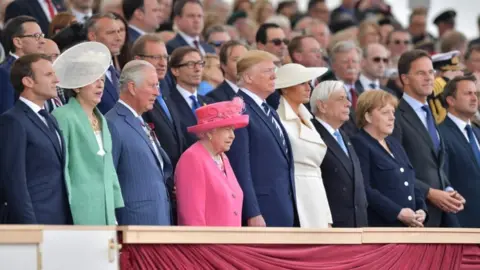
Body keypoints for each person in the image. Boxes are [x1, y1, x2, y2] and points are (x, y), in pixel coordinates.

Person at [52, 42, 124, 225]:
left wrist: (114, 202)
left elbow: (109, 167)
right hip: (78, 205)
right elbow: (62, 166)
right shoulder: (63, 116)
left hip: (106, 206)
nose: (100, 85)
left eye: (102, 79)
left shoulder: (102, 119)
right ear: (76, 86)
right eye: (93, 79)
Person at [392, 49, 465, 227]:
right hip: (416, 215)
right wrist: (429, 192)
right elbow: (394, 168)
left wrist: (448, 190)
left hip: (441, 215)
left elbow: (436, 162)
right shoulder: (395, 116)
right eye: (421, 73)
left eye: (431, 72)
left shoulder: (430, 113)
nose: (429, 78)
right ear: (404, 79)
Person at [227, 50, 297, 227]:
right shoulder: (238, 109)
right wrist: (252, 212)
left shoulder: (269, 110)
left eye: (274, 70)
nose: (274, 76)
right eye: (267, 71)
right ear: (249, 77)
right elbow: (240, 165)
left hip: (282, 207)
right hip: (262, 211)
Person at [0, 54, 71, 224]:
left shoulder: (50, 118)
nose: (56, 80)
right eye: (48, 75)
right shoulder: (13, 121)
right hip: (35, 222)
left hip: (60, 221)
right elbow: (14, 182)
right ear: (28, 82)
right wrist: (30, 227)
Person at [106, 60, 172, 225]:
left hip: (157, 220)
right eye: (152, 86)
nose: (157, 93)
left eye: (158, 86)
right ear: (132, 87)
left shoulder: (139, 120)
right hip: (133, 224)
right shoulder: (112, 123)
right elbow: (108, 179)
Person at [351, 90, 428, 227]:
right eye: (385, 113)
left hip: (410, 227)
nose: (392, 117)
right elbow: (364, 188)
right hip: (382, 228)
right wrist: (397, 212)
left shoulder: (394, 144)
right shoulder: (359, 143)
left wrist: (422, 210)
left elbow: (411, 181)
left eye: (393, 112)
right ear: (368, 116)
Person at [175, 97, 248, 226]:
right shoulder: (192, 159)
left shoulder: (223, 157)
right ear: (210, 131)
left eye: (233, 129)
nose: (233, 135)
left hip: (231, 243)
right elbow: (192, 218)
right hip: (209, 244)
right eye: (227, 129)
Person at [275, 63, 332, 228]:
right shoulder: (279, 120)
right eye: (302, 83)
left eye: (309, 83)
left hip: (316, 192)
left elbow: (316, 170)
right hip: (296, 192)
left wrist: (327, 215)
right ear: (285, 88)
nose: (309, 88)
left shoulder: (308, 119)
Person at [310, 80, 368, 227]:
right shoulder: (312, 135)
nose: (348, 103)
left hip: (357, 225)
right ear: (322, 106)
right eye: (341, 98)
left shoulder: (343, 135)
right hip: (332, 227)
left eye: (347, 98)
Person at [439, 75, 480, 228]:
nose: (474, 98)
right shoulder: (440, 134)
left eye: (475, 93)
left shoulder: (477, 132)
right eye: (467, 93)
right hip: (463, 224)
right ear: (451, 100)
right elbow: (444, 180)